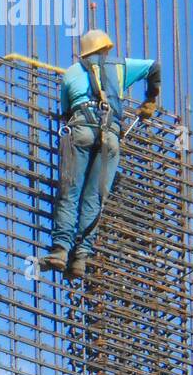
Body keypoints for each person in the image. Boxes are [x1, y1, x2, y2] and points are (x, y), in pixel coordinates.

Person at [39, 29, 161, 280]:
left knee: (69, 191)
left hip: (80, 132)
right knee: (94, 198)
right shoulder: (120, 67)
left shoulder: (72, 72)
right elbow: (154, 67)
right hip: (110, 139)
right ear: (106, 48)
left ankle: (61, 251)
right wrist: (151, 98)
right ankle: (81, 259)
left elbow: (65, 111)